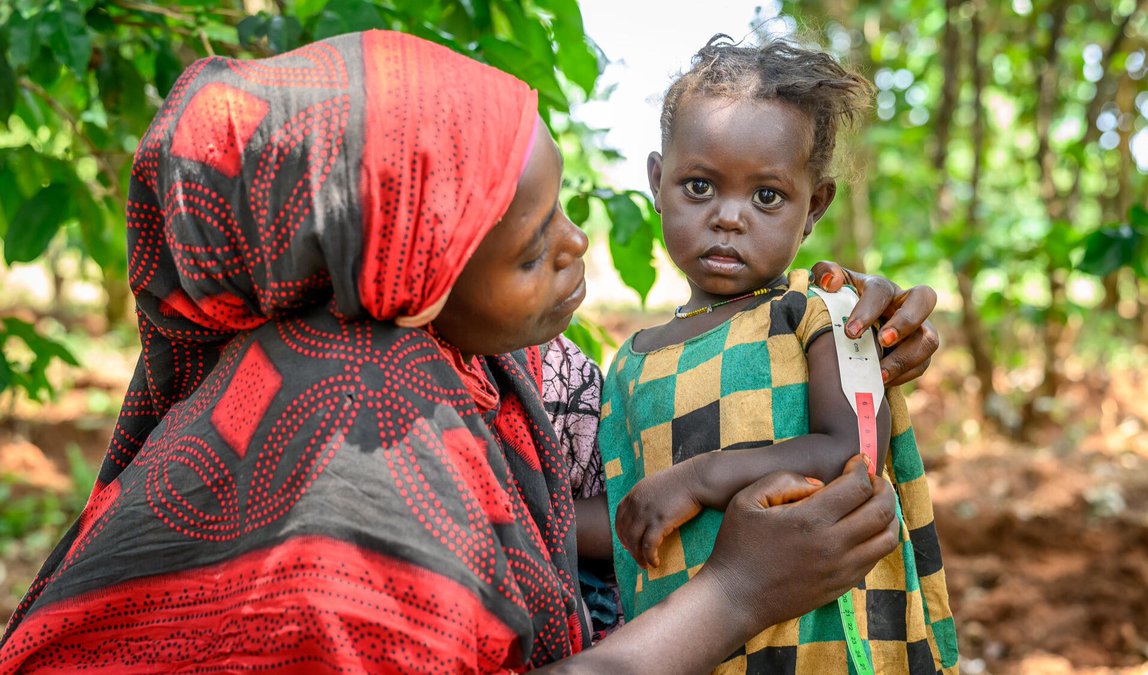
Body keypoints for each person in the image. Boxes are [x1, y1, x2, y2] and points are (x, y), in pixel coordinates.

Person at [0, 31, 938, 673]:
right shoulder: (350, 451)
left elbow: (613, 504)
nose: (576, 248)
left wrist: (857, 347)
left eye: (563, 208)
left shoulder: (516, 373)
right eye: (532, 247)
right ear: (412, 270)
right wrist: (732, 596)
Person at [595, 34, 958, 673]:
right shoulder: (632, 361)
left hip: (826, 645)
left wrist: (699, 478)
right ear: (657, 182)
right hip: (693, 648)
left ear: (813, 205)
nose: (728, 217)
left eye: (767, 196)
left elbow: (852, 450)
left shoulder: (816, 311)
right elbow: (635, 516)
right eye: (699, 186)